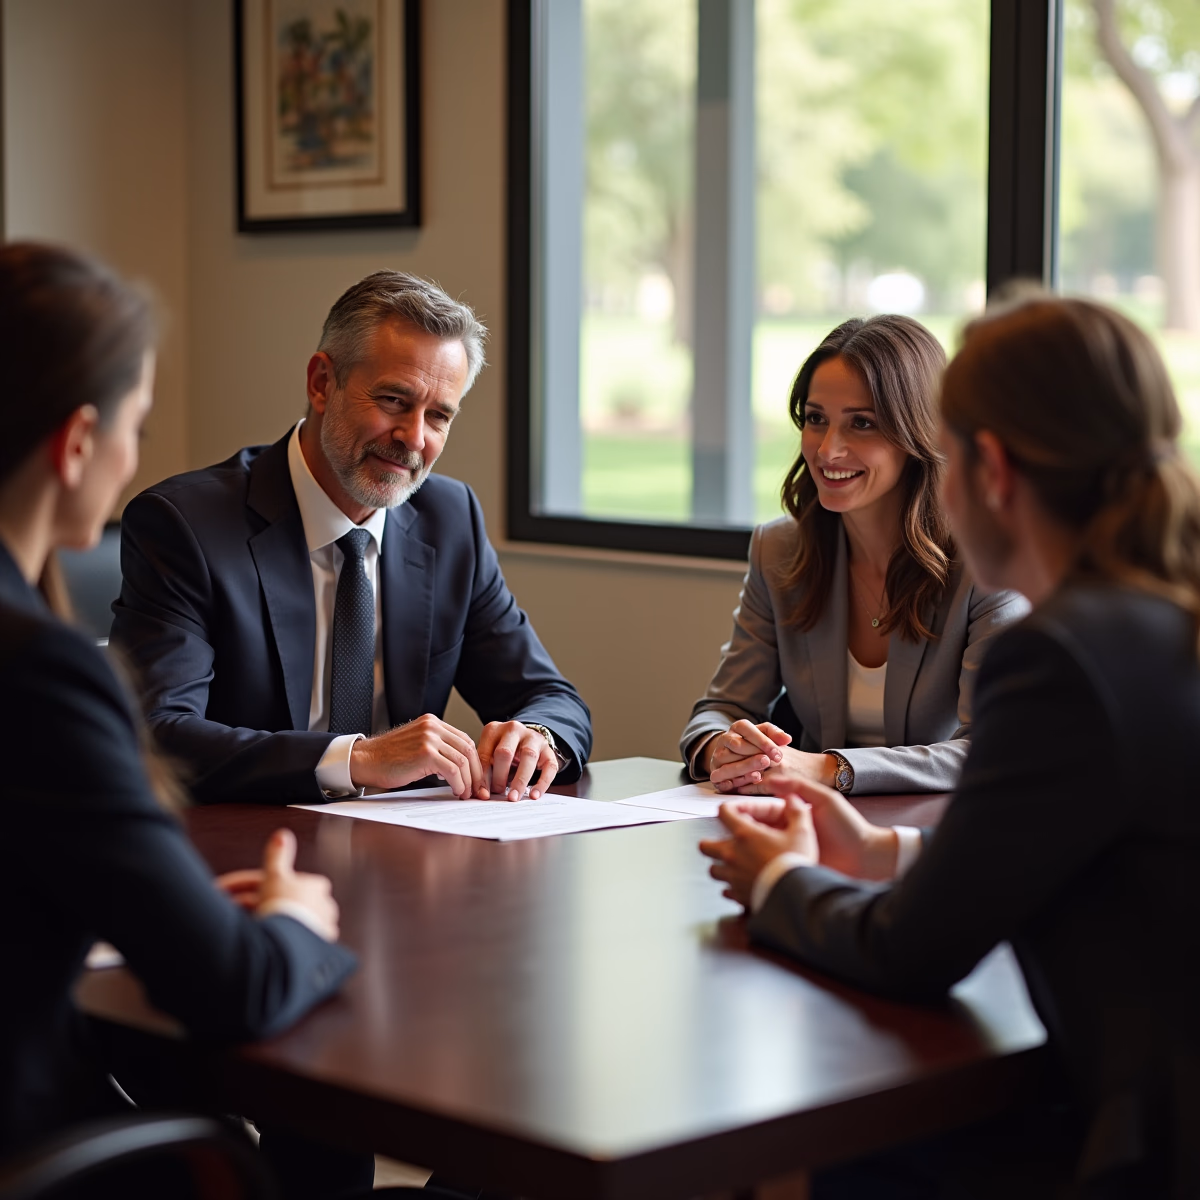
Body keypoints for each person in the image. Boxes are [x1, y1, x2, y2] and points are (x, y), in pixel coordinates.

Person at [701, 295, 1200, 1196]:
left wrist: (778, 880)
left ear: (989, 470)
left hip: (1144, 1143)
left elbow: (910, 952)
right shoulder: (1162, 621)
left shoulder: (1060, 658)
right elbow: (1091, 845)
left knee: (840, 1140)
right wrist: (887, 852)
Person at [0, 243, 364, 1186]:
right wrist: (292, 918)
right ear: (77, 442)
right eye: (138, 427)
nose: (134, 457)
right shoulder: (40, 672)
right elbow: (235, 988)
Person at [112, 270, 591, 806]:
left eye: (438, 416)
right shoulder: (186, 524)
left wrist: (536, 736)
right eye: (393, 400)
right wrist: (355, 759)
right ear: (322, 383)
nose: (414, 438)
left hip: (408, 842)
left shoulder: (450, 519)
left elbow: (551, 698)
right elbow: (157, 733)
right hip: (249, 838)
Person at [682, 315, 1027, 799]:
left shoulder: (989, 564)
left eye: (861, 423)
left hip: (938, 830)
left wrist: (829, 769)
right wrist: (724, 748)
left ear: (921, 433)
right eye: (816, 418)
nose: (828, 449)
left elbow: (993, 747)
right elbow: (720, 709)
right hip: (807, 822)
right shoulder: (778, 550)